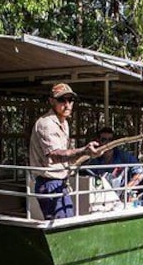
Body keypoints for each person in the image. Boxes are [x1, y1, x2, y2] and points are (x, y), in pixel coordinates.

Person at [29, 82, 100, 219]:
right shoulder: (46, 124)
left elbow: (67, 154)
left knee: (68, 220)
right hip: (48, 183)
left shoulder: (64, 122)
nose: (67, 104)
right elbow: (55, 155)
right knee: (60, 225)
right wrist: (85, 151)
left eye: (70, 100)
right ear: (51, 101)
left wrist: (88, 154)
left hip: (61, 182)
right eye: (62, 100)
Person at [85, 127, 143, 203]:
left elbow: (141, 172)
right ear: (98, 142)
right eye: (104, 140)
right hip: (100, 198)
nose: (108, 143)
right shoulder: (94, 161)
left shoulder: (124, 157)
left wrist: (127, 188)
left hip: (121, 199)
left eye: (110, 140)